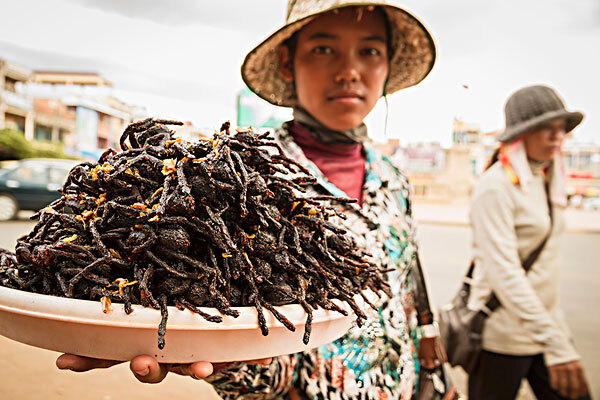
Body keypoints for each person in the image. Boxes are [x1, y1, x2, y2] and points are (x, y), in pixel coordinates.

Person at [57, 1, 452, 398]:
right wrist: (217, 356)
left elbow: (407, 288)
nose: (349, 71)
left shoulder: (393, 177)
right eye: (323, 49)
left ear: (386, 66)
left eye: (369, 51)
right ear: (286, 62)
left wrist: (431, 360)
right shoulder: (243, 175)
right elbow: (239, 319)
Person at [467, 85, 591, 400]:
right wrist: (555, 341)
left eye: (561, 129)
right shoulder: (496, 187)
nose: (557, 137)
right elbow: (505, 273)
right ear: (522, 134)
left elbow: (544, 271)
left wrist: (555, 335)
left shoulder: (545, 180)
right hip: (503, 337)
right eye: (545, 129)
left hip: (546, 329)